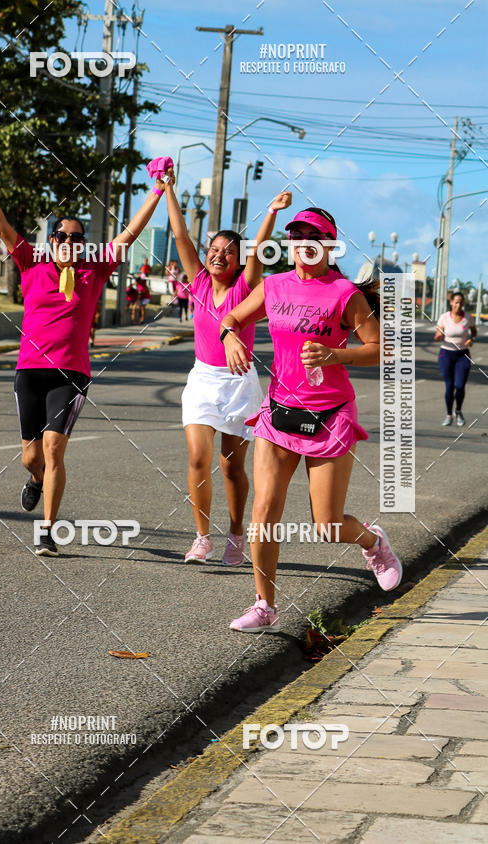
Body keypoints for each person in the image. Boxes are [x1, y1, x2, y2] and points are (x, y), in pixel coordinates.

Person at [0, 154, 165, 556]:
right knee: (30, 458)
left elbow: (129, 234)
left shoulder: (95, 270)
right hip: (29, 372)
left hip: (71, 375)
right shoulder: (30, 263)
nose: (70, 243)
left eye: (77, 238)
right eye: (63, 236)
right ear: (52, 240)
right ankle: (35, 480)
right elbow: (0, 225)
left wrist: (157, 190)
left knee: (54, 449)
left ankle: (47, 531)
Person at [220, 207, 403, 632]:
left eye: (314, 236)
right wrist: (230, 337)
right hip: (279, 414)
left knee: (327, 525)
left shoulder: (344, 293)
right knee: (263, 513)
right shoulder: (274, 286)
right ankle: (264, 605)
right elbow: (231, 317)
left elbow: (380, 348)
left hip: (330, 416)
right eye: (297, 235)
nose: (304, 242)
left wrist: (335, 355)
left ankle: (373, 542)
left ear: (330, 245)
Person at [163, 168, 292, 566]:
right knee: (197, 459)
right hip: (203, 379)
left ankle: (236, 532)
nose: (219, 255)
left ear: (237, 261)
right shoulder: (198, 280)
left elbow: (258, 250)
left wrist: (271, 211)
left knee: (231, 466)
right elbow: (180, 235)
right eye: (214, 249)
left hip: (238, 385)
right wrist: (168, 189)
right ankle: (202, 538)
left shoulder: (245, 287)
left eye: (228, 252)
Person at [434, 291, 476, 426]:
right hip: (446, 355)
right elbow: (437, 335)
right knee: (450, 386)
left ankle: (458, 411)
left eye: (461, 302)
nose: (459, 305)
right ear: (451, 302)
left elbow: (474, 331)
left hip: (463, 355)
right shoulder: (444, 317)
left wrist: (471, 339)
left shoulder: (468, 317)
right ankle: (448, 415)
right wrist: (438, 336)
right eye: (456, 302)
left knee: (460, 386)